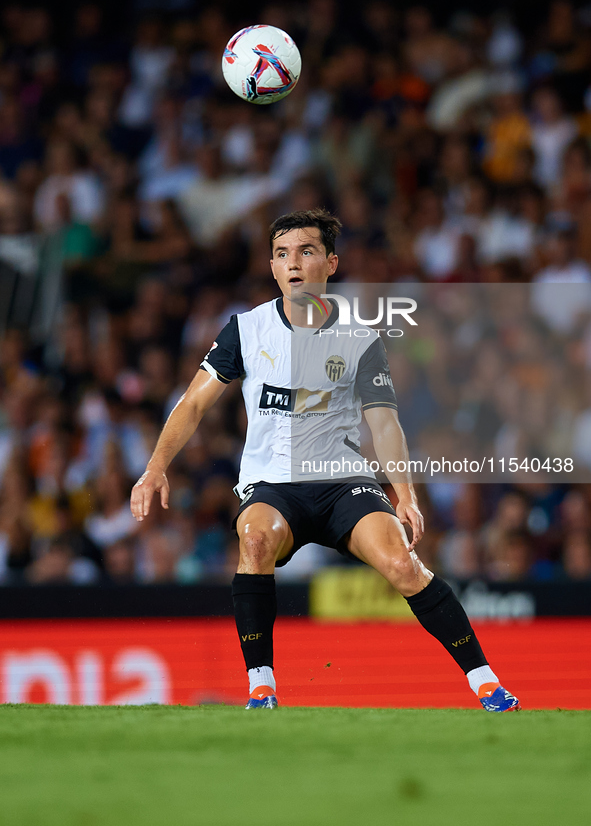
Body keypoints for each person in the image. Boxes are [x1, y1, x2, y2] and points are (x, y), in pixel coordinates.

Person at [130, 208, 520, 713]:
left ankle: (487, 684)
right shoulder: (245, 331)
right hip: (273, 485)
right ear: (272, 268)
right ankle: (262, 688)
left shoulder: (360, 338)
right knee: (255, 539)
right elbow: (193, 403)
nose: (293, 263)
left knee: (403, 563)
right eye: (281, 254)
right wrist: (155, 467)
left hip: (343, 483)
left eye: (306, 251)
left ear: (330, 263)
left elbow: (384, 423)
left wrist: (405, 494)